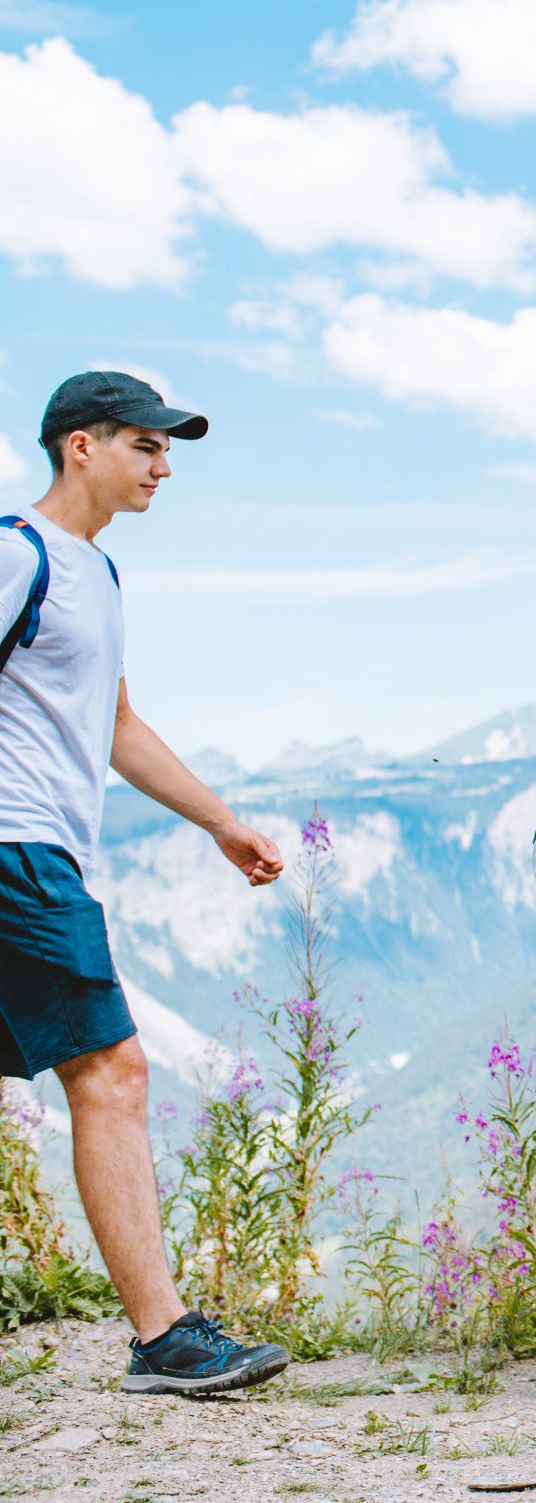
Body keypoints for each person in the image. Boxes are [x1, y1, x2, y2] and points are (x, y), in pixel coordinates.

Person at [0, 371, 289, 1394]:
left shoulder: (98, 574)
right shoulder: (17, 552)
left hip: (46, 854)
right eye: (144, 446)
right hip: (15, 853)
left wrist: (219, 820)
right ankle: (164, 1337)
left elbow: (114, 726)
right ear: (81, 446)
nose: (164, 467)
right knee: (112, 1071)